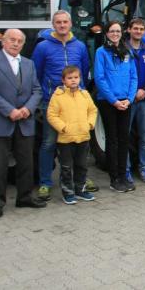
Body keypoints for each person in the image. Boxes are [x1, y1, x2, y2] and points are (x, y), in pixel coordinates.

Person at [0, 29, 45, 218]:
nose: (16, 44)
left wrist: (27, 109)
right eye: (12, 40)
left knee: (26, 163)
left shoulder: (29, 64)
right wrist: (10, 111)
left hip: (25, 120)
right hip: (0, 121)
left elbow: (37, 90)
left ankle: (24, 197)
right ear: (3, 42)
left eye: (19, 41)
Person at [32, 10, 93, 201]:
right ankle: (45, 183)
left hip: (76, 103)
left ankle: (81, 180)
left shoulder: (80, 46)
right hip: (53, 102)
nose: (62, 25)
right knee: (49, 143)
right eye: (58, 22)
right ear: (53, 24)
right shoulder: (43, 47)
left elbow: (84, 69)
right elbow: (37, 73)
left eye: (65, 22)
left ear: (71, 23)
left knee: (79, 143)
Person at [94, 21, 137, 193]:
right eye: (112, 31)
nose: (115, 34)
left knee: (124, 139)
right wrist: (114, 101)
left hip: (125, 102)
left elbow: (134, 77)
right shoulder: (101, 52)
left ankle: (123, 174)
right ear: (106, 33)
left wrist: (130, 98)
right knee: (112, 140)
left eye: (118, 31)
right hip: (108, 102)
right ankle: (114, 179)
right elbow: (100, 78)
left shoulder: (127, 52)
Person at [46, 65, 98, 204]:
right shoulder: (57, 96)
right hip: (65, 139)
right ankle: (68, 192)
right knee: (66, 167)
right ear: (63, 80)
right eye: (70, 78)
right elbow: (51, 115)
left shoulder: (85, 95)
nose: (73, 80)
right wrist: (63, 128)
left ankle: (80, 189)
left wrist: (90, 124)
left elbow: (93, 110)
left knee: (82, 165)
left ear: (80, 79)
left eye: (76, 77)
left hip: (83, 137)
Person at [125, 18, 145, 183]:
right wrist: (132, 93)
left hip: (144, 99)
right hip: (127, 100)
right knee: (126, 136)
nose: (138, 31)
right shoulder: (122, 50)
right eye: (135, 28)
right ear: (129, 30)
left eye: (141, 29)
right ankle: (126, 169)